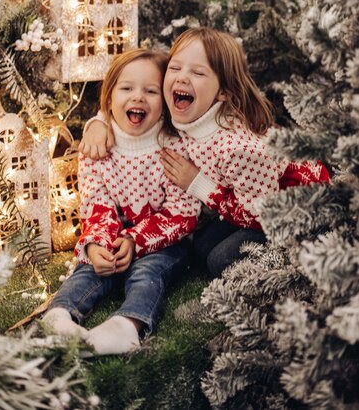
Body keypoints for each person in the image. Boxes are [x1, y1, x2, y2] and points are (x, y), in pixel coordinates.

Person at [81, 28, 329, 278]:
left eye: (198, 72)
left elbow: (262, 214)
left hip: (293, 209)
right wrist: (98, 123)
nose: (182, 78)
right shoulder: (189, 110)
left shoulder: (237, 149)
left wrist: (198, 183)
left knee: (219, 261)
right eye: (175, 68)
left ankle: (297, 257)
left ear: (223, 91)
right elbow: (134, 97)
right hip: (245, 198)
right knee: (200, 248)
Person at [43, 48, 201, 354]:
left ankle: (127, 326)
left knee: (147, 272)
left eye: (151, 91)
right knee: (90, 267)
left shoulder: (175, 148)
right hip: (113, 236)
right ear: (109, 98)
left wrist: (135, 240)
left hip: (165, 240)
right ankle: (60, 315)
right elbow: (96, 202)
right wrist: (97, 243)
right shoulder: (98, 146)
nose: (138, 97)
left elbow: (183, 214)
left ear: (166, 101)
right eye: (127, 88)